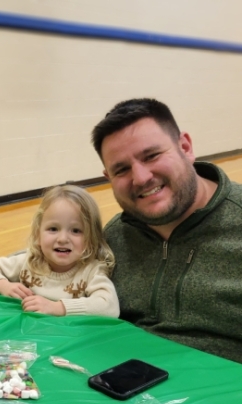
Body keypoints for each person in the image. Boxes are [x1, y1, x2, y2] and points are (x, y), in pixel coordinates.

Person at [91, 97, 242, 363]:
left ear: (185, 147)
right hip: (130, 393)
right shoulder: (112, 240)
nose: (141, 177)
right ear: (108, 178)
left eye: (152, 156)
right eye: (122, 170)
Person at [0, 185, 119, 317]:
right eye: (53, 229)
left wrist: (58, 307)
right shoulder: (30, 261)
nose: (62, 239)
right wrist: (4, 286)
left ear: (91, 239)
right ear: (38, 234)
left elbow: (110, 307)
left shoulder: (91, 271)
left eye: (76, 231)